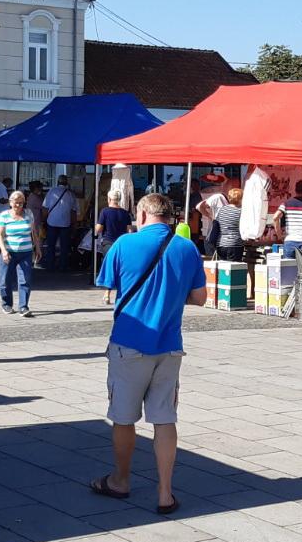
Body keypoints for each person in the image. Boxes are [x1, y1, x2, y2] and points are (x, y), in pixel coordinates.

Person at [90, 193, 206, 515]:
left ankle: (120, 480)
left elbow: (108, 285)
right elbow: (199, 298)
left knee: (123, 418)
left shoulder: (124, 245)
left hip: (129, 343)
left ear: (142, 214)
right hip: (169, 346)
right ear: (170, 217)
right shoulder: (187, 248)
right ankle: (165, 493)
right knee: (165, 419)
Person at [0, 190, 38, 317]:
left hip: (26, 252)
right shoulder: (4, 215)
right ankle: (6, 304)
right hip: (9, 252)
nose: (18, 205)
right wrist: (3, 250)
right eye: (16, 203)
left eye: (21, 203)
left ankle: (23, 306)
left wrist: (38, 248)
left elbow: (34, 232)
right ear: (10, 202)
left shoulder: (28, 213)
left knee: (25, 279)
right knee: (5, 280)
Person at [40, 175, 78, 270]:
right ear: (67, 183)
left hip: (52, 222)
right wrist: (74, 224)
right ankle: (63, 266)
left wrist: (43, 220)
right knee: (64, 246)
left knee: (51, 245)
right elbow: (73, 212)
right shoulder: (71, 194)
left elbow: (45, 208)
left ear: (58, 182)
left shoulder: (51, 192)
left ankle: (50, 265)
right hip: (65, 223)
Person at [272, 181, 302, 259]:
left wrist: (280, 236)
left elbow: (275, 217)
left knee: (289, 268)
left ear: (295, 190)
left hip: (290, 241)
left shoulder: (286, 204)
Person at [212, 189, 243, 262]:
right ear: (240, 199)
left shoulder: (222, 210)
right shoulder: (241, 211)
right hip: (235, 244)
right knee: (233, 270)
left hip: (221, 244)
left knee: (223, 270)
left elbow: (216, 224)